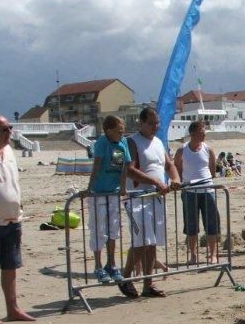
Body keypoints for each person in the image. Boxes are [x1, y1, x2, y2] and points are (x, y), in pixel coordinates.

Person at [119, 107, 181, 299]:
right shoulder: (132, 142)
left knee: (152, 241)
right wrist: (156, 182)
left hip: (156, 198)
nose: (155, 126)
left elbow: (169, 164)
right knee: (140, 241)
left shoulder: (159, 142)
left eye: (157, 123)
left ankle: (148, 283)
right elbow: (129, 169)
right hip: (137, 197)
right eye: (151, 123)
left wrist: (175, 179)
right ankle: (125, 278)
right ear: (142, 123)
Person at [0, 114, 35, 324]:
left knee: (11, 266)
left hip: (13, 219)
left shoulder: (8, 151)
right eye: (4, 129)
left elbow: (12, 181)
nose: (9, 132)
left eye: (10, 128)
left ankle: (13, 308)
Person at [84, 115, 132, 284]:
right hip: (99, 192)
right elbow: (96, 167)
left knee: (114, 229)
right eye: (119, 131)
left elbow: (123, 166)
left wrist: (123, 186)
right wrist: (89, 188)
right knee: (98, 229)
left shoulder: (122, 143)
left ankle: (111, 263)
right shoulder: (102, 144)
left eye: (123, 131)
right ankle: (98, 265)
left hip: (114, 192)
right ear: (108, 131)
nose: (121, 134)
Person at [174, 121, 219, 265]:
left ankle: (213, 255)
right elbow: (176, 169)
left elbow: (212, 172)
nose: (204, 133)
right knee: (191, 225)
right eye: (202, 131)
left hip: (207, 190)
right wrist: (184, 183)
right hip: (189, 191)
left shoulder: (208, 149)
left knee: (211, 223)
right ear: (193, 133)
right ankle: (193, 255)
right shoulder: (182, 150)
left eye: (204, 131)